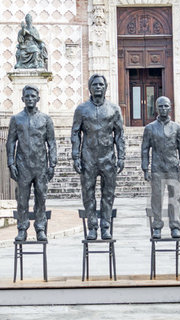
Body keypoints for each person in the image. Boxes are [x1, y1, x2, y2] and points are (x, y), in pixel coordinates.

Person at [71, 74, 125, 240]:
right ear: (90, 87)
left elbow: (119, 135)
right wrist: (75, 156)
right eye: (95, 85)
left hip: (108, 157)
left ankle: (105, 226)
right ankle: (92, 227)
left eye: (101, 84)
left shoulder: (114, 109)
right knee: (88, 193)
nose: (98, 87)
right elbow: (75, 133)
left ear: (106, 87)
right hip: (88, 157)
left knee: (108, 194)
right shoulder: (81, 110)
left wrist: (121, 156)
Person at [6, 85, 57, 241]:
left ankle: (40, 228)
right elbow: (10, 142)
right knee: (22, 199)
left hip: (40, 165)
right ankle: (22, 228)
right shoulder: (16, 119)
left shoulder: (45, 119)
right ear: (22, 99)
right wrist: (11, 163)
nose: (30, 99)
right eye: (27, 96)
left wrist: (52, 164)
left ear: (38, 99)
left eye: (32, 96)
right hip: (23, 165)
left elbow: (52, 143)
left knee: (41, 198)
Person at [141, 96, 180, 239]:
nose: (163, 109)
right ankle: (157, 226)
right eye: (160, 106)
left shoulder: (177, 128)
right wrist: (145, 168)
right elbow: (145, 149)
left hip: (173, 167)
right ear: (156, 108)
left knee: (175, 198)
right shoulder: (149, 128)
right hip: (157, 167)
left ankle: (175, 226)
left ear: (170, 108)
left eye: (166, 106)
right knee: (156, 198)